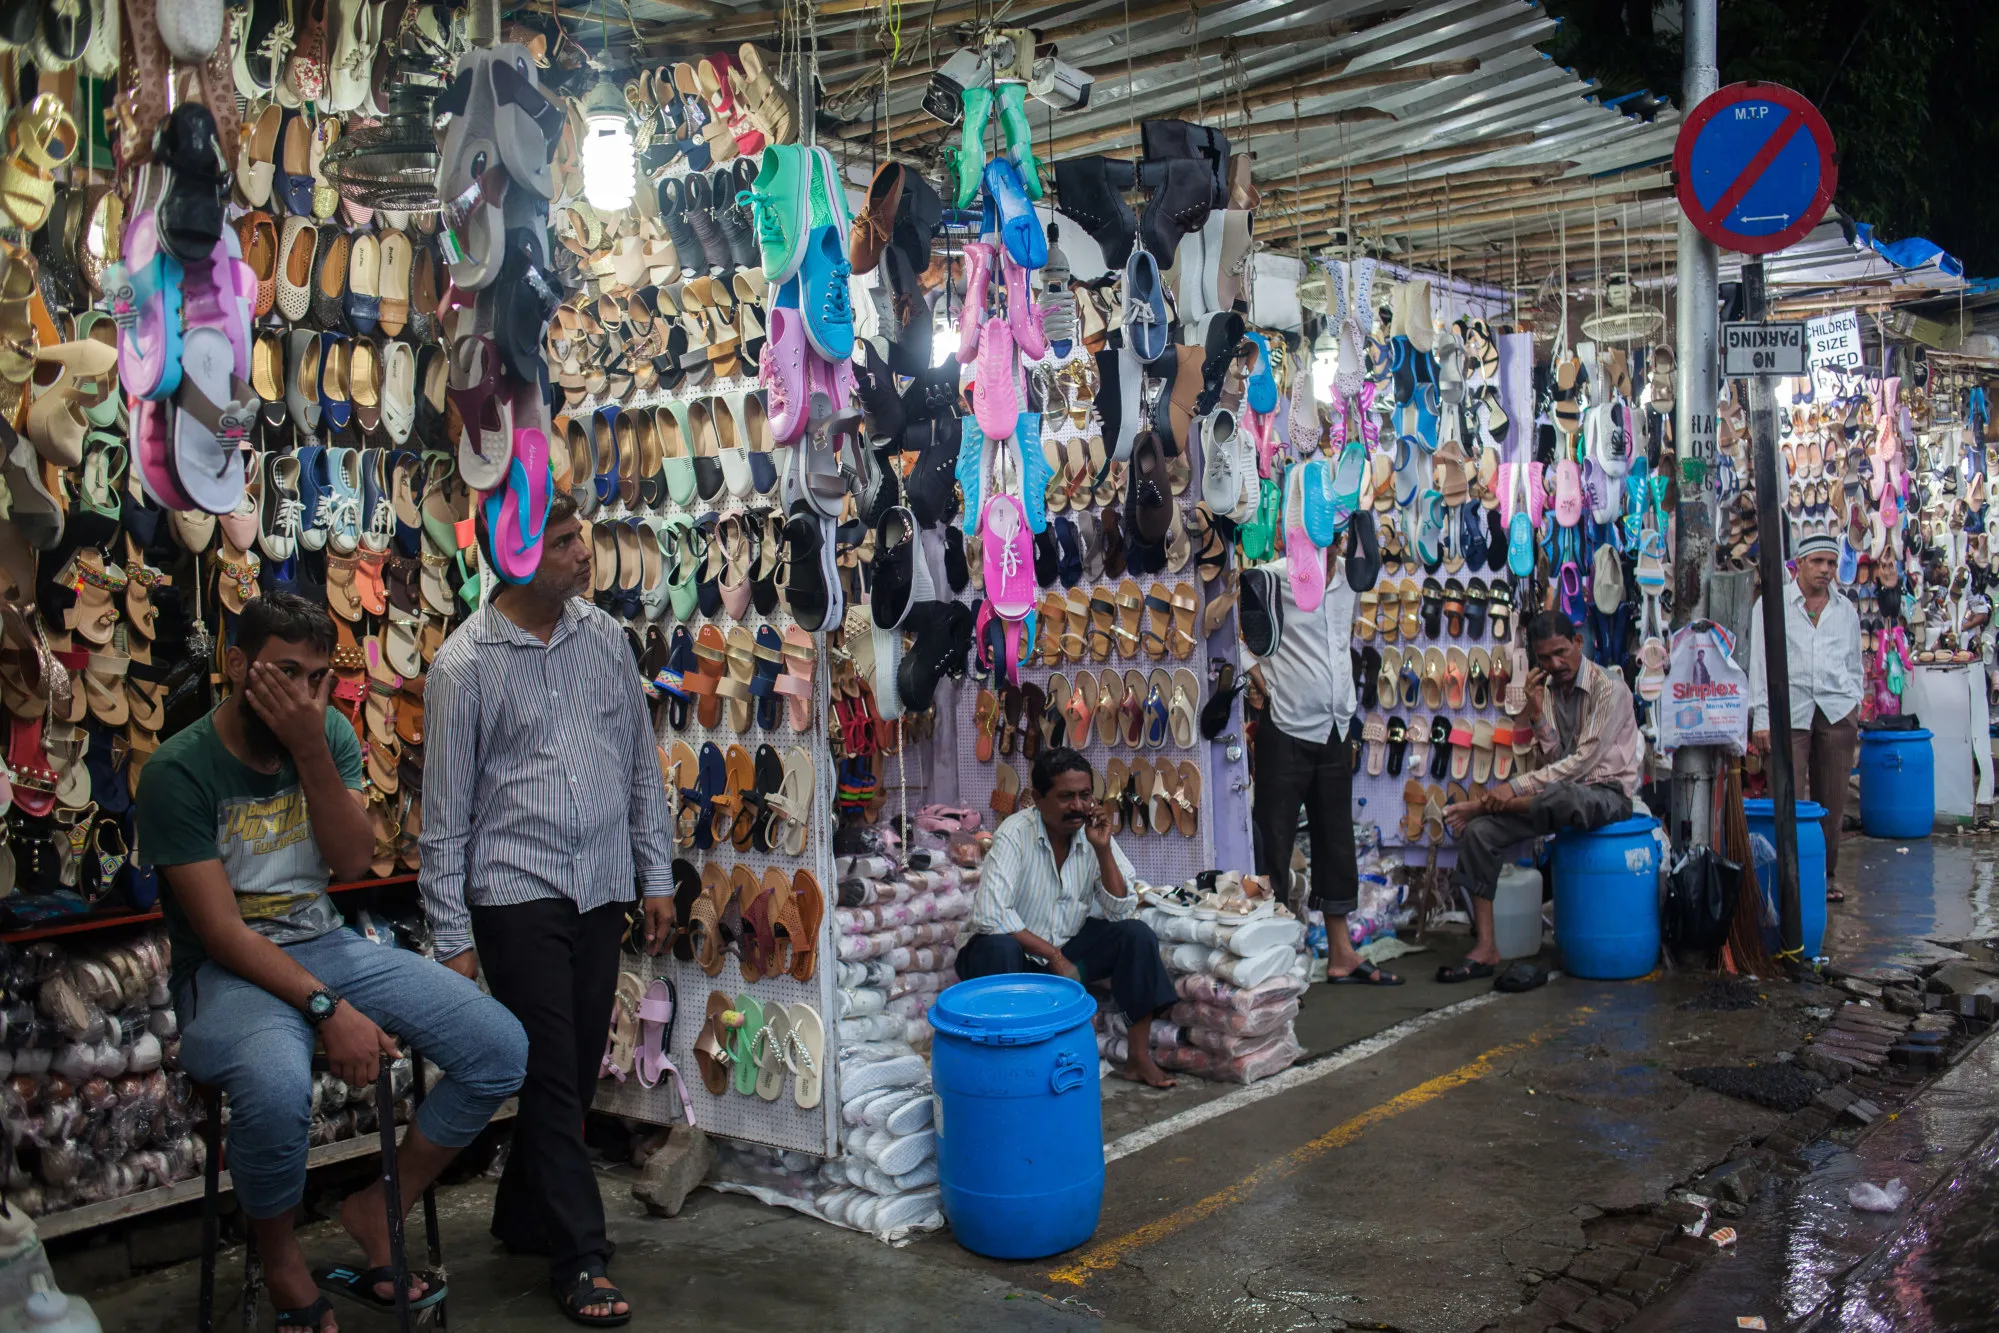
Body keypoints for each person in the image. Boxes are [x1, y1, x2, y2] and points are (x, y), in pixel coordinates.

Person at [138, 594, 528, 1333]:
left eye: (318, 678)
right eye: (285, 672)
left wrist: (311, 747)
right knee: (275, 1084)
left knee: (499, 1048)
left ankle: (381, 1208)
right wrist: (326, 1007)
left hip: (325, 941)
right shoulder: (177, 770)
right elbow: (221, 933)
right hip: (225, 972)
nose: (304, 694)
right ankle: (280, 1257)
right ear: (236, 665)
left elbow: (351, 863)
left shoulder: (330, 735)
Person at [421, 495, 675, 1327]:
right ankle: (579, 1256)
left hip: (599, 883)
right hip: (515, 889)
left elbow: (638, 765)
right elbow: (444, 815)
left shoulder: (603, 639)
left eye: (579, 537)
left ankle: (523, 1214)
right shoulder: (464, 665)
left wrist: (656, 874)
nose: (583, 554)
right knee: (554, 1072)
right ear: (517, 554)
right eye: (564, 542)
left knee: (565, 1067)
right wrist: (451, 936)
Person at [957, 748, 1181, 1087]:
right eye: (1066, 797)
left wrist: (1103, 849)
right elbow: (991, 914)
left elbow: (1121, 909)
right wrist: (1055, 956)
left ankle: (1138, 1058)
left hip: (1064, 950)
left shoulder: (1092, 831)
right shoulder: (1014, 834)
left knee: (1135, 934)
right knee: (998, 946)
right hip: (1012, 957)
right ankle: (1009, 1064)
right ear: (1037, 799)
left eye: (1085, 795)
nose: (1078, 806)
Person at [1442, 611, 1642, 982]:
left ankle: (1485, 804)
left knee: (1563, 797)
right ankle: (1486, 946)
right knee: (1481, 833)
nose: (1555, 664)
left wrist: (1514, 788)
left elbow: (1583, 763)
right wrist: (1536, 716)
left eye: (1561, 652)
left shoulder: (1610, 689)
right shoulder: (1548, 689)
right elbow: (1558, 760)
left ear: (1578, 643)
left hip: (1607, 793)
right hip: (1558, 793)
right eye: (1545, 658)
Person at [1248, 560, 1402, 985]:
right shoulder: (1274, 575)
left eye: (1336, 535)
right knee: (1274, 843)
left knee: (1336, 839)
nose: (1330, 545)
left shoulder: (1350, 577)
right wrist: (1262, 683)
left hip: (1334, 724)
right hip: (1287, 725)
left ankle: (1341, 954)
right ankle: (1273, 958)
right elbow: (1233, 635)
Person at [1747, 532, 1863, 900]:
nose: (1826, 570)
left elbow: (1854, 663)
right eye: (1818, 562)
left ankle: (1825, 876)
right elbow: (1760, 662)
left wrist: (1854, 702)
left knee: (1832, 799)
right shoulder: (1772, 605)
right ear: (1799, 564)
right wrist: (1761, 718)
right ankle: (1790, 875)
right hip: (1789, 711)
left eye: (1831, 563)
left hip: (1836, 709)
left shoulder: (1845, 610)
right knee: (1788, 798)